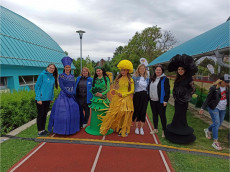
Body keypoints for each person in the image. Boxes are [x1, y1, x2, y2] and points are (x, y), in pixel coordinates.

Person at [165, 54, 197, 144]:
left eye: (182, 69)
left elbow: (193, 89)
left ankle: (181, 132)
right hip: (177, 101)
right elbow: (175, 89)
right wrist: (176, 95)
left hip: (183, 102)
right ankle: (175, 131)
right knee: (176, 114)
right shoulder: (177, 78)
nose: (180, 71)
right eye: (179, 69)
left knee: (181, 115)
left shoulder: (189, 78)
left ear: (185, 70)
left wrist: (186, 95)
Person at [48, 56, 84, 135]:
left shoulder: (72, 76)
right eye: (66, 67)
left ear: (70, 68)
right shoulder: (61, 76)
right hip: (64, 95)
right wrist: (68, 92)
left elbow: (74, 85)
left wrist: (73, 92)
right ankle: (61, 129)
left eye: (69, 67)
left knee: (75, 109)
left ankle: (72, 128)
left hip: (72, 95)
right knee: (63, 112)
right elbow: (61, 86)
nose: (68, 68)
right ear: (64, 68)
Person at [100, 60, 134, 137]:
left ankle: (124, 129)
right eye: (122, 70)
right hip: (117, 98)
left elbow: (132, 90)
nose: (123, 71)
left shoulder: (130, 80)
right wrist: (115, 91)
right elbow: (116, 88)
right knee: (116, 113)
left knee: (124, 114)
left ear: (128, 71)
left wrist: (124, 94)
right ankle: (118, 128)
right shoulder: (118, 79)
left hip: (126, 99)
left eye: (125, 70)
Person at [199, 76, 229, 150]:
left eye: (228, 82)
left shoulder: (228, 88)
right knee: (216, 123)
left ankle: (208, 130)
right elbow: (208, 98)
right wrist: (202, 108)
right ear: (220, 81)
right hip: (214, 108)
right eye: (225, 82)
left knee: (218, 123)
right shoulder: (214, 88)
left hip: (223, 109)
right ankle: (215, 142)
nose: (227, 83)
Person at [85, 66, 113, 135]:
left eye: (99, 71)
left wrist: (101, 94)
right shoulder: (95, 78)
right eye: (97, 71)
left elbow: (108, 88)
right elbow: (93, 88)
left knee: (103, 112)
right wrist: (94, 92)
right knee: (95, 112)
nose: (98, 72)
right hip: (95, 98)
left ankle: (103, 127)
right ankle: (95, 127)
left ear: (102, 71)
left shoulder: (106, 78)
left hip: (102, 98)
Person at [35, 64, 58, 136]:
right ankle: (39, 131)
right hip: (41, 100)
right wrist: (38, 98)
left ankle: (43, 129)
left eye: (53, 68)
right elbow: (37, 87)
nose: (51, 69)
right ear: (47, 68)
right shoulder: (42, 75)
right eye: (50, 68)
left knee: (45, 115)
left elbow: (51, 89)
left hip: (47, 100)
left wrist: (51, 98)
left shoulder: (53, 78)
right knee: (40, 115)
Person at [149, 65, 170, 137]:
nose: (158, 71)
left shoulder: (165, 79)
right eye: (157, 70)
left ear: (162, 71)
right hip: (153, 100)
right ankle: (155, 129)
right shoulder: (152, 78)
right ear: (155, 71)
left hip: (161, 101)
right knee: (154, 115)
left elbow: (167, 91)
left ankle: (164, 130)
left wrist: (165, 100)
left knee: (162, 116)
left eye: (159, 70)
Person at [132, 64, 149, 135]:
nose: (142, 70)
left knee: (143, 111)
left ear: (145, 69)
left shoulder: (147, 78)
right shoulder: (134, 77)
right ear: (138, 69)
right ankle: (136, 128)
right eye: (140, 68)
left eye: (143, 69)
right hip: (137, 95)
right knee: (137, 111)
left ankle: (141, 128)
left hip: (145, 95)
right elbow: (131, 86)